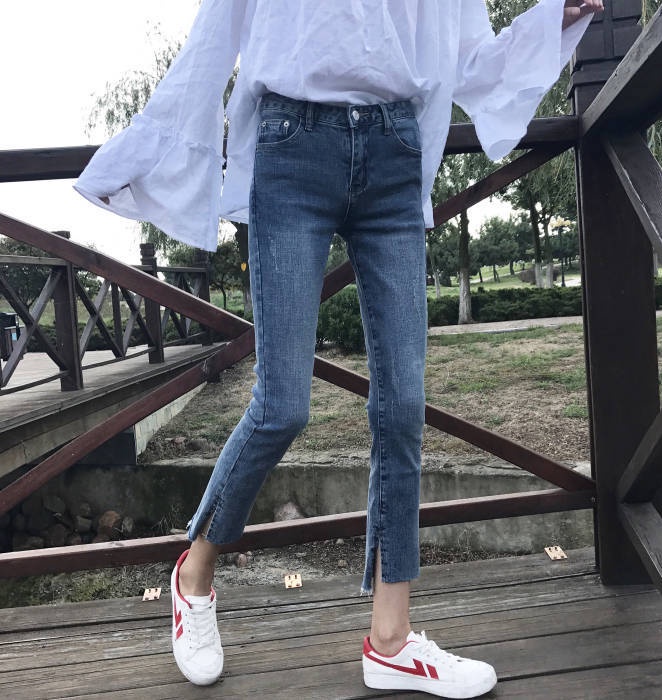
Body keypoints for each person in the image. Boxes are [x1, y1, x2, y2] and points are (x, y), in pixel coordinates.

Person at [75, 1, 602, 696]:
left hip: (394, 148)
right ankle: (194, 573)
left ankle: (391, 641)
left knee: (403, 406)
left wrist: (547, 23)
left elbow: (471, 56)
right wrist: (150, 150)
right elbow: (218, 30)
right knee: (282, 405)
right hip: (292, 146)